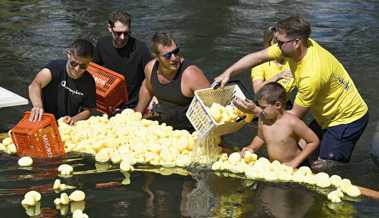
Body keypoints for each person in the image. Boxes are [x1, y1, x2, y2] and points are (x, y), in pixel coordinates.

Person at [216, 16, 369, 170]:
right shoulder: (296, 47)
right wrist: (228, 73)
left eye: (280, 43)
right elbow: (258, 57)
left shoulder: (311, 75)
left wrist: (255, 111)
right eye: (276, 40)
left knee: (324, 165)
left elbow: (292, 117)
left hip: (346, 119)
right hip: (326, 112)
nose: (277, 46)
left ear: (296, 43)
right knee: (304, 152)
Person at [135, 32, 210, 131]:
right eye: (167, 55)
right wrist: (137, 116)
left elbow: (214, 106)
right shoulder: (150, 68)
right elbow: (147, 89)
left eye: (176, 52)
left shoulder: (190, 74)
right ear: (156, 57)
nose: (174, 58)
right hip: (166, 127)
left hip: (190, 130)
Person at [241, 82, 319, 168]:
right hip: (277, 168)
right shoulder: (263, 119)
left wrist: (295, 162)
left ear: (277, 105)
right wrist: (252, 147)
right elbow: (260, 137)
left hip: (296, 167)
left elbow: (313, 141)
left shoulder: (292, 122)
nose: (260, 110)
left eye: (263, 107)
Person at [93, 10, 153, 109]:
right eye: (118, 33)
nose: (122, 37)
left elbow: (152, 77)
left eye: (126, 33)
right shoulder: (102, 44)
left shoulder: (141, 49)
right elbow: (93, 70)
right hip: (109, 102)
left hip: (134, 104)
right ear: (109, 28)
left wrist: (152, 99)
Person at [28, 39, 96, 125]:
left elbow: (88, 110)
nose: (77, 69)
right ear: (69, 55)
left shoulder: (89, 81)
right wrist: (37, 106)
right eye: (73, 63)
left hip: (66, 125)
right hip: (43, 119)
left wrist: (74, 119)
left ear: (90, 61)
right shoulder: (55, 68)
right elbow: (35, 85)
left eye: (83, 66)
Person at [251, 26, 294, 98]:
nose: (281, 45)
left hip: (286, 104)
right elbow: (257, 91)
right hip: (267, 105)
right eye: (277, 42)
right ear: (269, 43)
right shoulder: (260, 65)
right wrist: (278, 76)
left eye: (284, 42)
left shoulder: (292, 60)